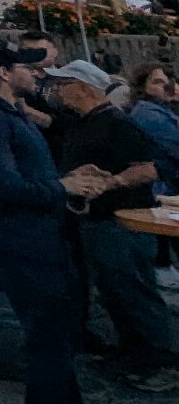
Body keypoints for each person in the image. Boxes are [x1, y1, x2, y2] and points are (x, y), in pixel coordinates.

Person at [0, 38, 134, 404]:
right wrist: (62, 187)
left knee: (61, 339)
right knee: (46, 340)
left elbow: (27, 175)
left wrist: (67, 178)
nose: (36, 73)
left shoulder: (10, 112)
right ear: (4, 73)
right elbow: (2, 183)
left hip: (44, 239)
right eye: (26, 66)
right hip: (23, 244)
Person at [42, 60, 178, 377]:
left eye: (63, 85)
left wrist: (111, 182)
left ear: (84, 88)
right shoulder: (82, 122)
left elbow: (149, 169)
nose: (57, 91)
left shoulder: (116, 124)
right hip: (97, 220)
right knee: (114, 293)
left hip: (122, 221)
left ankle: (160, 362)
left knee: (135, 292)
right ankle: (133, 354)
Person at [121, 62, 179, 193]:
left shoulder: (162, 110)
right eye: (158, 82)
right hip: (164, 187)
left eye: (168, 82)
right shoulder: (148, 114)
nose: (165, 87)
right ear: (143, 87)